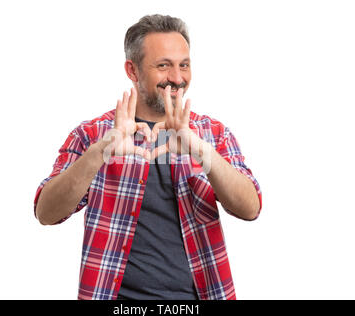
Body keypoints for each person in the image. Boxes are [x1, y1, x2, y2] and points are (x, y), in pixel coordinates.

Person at [34, 14, 262, 300]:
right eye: (164, 65)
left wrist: (201, 151)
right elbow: (46, 213)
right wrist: (98, 154)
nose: (178, 79)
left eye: (184, 65)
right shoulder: (93, 135)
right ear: (133, 70)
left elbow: (251, 208)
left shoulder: (212, 133)